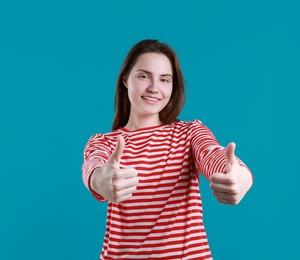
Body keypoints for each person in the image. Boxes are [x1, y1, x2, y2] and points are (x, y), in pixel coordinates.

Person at [82, 39, 253, 260]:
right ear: (126, 79)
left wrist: (239, 177)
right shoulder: (104, 142)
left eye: (164, 79)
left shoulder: (190, 133)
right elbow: (93, 166)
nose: (154, 88)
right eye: (144, 76)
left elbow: (213, 154)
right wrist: (98, 181)